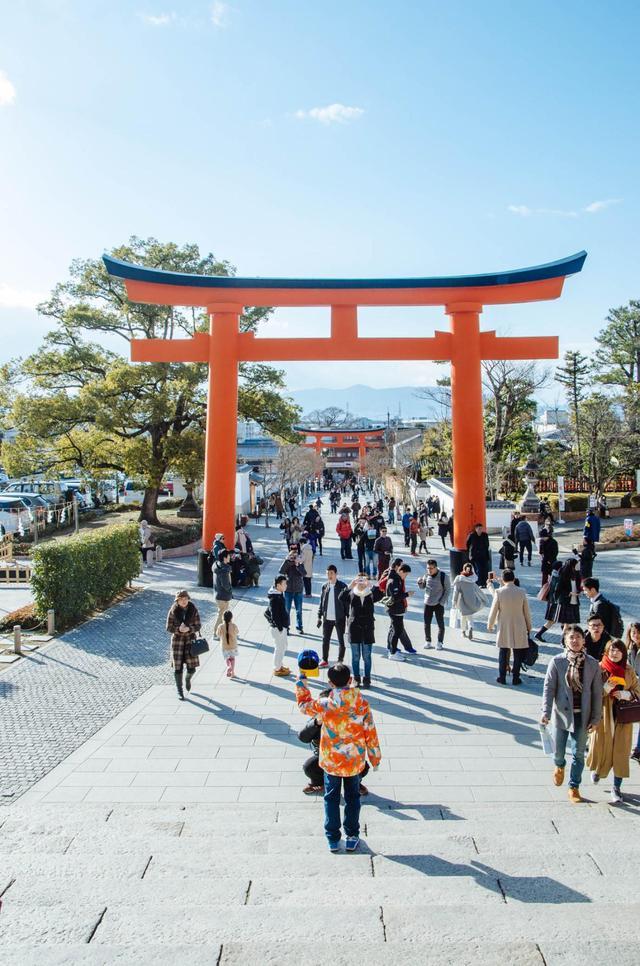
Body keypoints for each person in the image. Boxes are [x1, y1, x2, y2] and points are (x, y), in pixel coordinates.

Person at [296, 662, 381, 851]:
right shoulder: (361, 703)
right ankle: (352, 835)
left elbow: (303, 706)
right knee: (353, 798)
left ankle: (333, 839)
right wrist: (374, 758)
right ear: (350, 680)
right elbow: (370, 731)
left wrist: (302, 683)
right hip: (353, 760)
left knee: (331, 798)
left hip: (332, 760)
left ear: (330, 683)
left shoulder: (325, 704)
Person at [541, 625, 603, 804]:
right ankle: (559, 765)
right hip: (561, 714)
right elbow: (549, 688)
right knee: (558, 751)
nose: (575, 640)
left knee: (578, 753)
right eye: (571, 637)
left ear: (584, 640)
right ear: (565, 641)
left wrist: (596, 718)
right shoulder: (557, 661)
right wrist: (545, 711)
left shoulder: (592, 664)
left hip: (582, 715)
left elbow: (597, 692)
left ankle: (574, 786)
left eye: (578, 637)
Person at [587, 639, 640, 804]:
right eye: (611, 650)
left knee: (621, 752)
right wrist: (606, 689)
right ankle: (597, 770)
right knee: (601, 747)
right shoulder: (599, 668)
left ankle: (616, 787)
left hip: (624, 716)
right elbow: (590, 693)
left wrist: (625, 694)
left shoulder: (629, 670)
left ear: (623, 653)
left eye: (618, 650)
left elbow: (637, 690)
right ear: (606, 652)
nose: (614, 653)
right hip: (604, 715)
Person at [487, 569, 532, 686]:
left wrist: (490, 624)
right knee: (518, 653)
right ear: (514, 578)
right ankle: (516, 678)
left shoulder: (499, 592)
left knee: (503, 651)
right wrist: (529, 626)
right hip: (520, 625)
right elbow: (526, 612)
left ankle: (502, 677)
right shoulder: (521, 592)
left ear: (503, 579)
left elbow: (493, 610)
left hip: (504, 625)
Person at [342, 573, 383, 687]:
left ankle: (367, 678)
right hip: (354, 629)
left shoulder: (371, 594)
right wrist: (350, 585)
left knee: (367, 656)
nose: (361, 583)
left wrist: (370, 585)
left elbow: (380, 595)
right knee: (355, 656)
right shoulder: (352, 593)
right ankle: (356, 678)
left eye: (363, 580)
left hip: (367, 629)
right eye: (359, 580)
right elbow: (341, 597)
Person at [534, 558, 581, 642]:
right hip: (564, 602)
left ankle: (540, 634)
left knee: (563, 622)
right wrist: (569, 593)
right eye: (577, 564)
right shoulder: (563, 576)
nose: (578, 566)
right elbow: (558, 590)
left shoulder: (576, 574)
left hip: (573, 601)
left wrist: (579, 591)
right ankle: (563, 641)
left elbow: (578, 585)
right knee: (564, 623)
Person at [166, 590, 201, 700]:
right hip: (178, 642)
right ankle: (179, 690)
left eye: (185, 599)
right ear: (177, 601)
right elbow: (168, 627)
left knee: (192, 669)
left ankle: (187, 679)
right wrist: (179, 630)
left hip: (190, 641)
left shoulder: (193, 609)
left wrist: (189, 629)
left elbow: (198, 625)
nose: (184, 601)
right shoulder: (173, 610)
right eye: (181, 599)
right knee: (178, 668)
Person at [317, 565, 348, 667]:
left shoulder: (342, 586)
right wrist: (319, 616)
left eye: (331, 573)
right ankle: (324, 659)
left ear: (336, 574)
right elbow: (321, 602)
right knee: (325, 640)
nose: (329, 575)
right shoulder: (325, 586)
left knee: (341, 641)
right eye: (327, 573)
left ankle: (340, 661)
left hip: (339, 618)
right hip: (327, 619)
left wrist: (348, 617)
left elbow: (347, 604)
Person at [418, 558, 450, 650]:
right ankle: (428, 641)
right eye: (428, 568)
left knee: (441, 624)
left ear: (436, 567)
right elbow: (423, 587)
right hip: (427, 603)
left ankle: (440, 642)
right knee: (426, 624)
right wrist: (419, 583)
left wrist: (442, 602)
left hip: (438, 604)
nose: (429, 570)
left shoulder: (443, 576)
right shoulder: (426, 575)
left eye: (431, 568)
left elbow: (448, 590)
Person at [386, 561, 416, 659]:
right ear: (401, 571)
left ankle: (392, 650)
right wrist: (407, 594)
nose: (406, 577)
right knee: (397, 631)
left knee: (396, 630)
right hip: (395, 610)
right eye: (406, 574)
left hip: (396, 609)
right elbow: (395, 597)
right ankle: (393, 653)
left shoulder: (397, 578)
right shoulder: (395, 580)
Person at [451, 562, 486, 640]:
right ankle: (470, 627)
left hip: (462, 601)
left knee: (463, 616)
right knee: (470, 615)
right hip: (471, 600)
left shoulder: (459, 579)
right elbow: (477, 590)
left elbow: (456, 592)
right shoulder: (473, 579)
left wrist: (454, 601)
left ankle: (463, 631)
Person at [266, 575, 291, 676]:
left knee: (283, 646)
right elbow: (274, 614)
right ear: (278, 585)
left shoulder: (279, 594)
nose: (286, 585)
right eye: (284, 584)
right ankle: (277, 668)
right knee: (279, 647)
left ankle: (279, 665)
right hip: (278, 628)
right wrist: (280, 627)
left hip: (281, 627)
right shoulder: (275, 598)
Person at [279, 548, 305, 633]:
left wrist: (298, 565)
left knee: (299, 610)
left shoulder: (299, 563)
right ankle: (286, 627)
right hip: (288, 590)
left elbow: (304, 573)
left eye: (295, 557)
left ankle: (299, 627)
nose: (293, 558)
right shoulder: (287, 564)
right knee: (287, 610)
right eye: (292, 556)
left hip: (298, 590)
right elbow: (281, 571)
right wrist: (286, 561)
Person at [626, 623, 640, 763]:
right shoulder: (630, 649)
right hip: (635, 688)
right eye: (633, 633)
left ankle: (638, 749)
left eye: (638, 632)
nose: (636, 635)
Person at [213, 550, 233, 633]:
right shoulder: (224, 570)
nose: (230, 557)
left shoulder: (217, 566)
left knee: (222, 614)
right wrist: (230, 590)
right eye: (228, 556)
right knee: (221, 615)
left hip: (218, 594)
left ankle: (223, 631)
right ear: (225, 558)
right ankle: (215, 633)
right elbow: (226, 585)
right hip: (223, 596)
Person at [466, 523, 491, 587]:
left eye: (481, 528)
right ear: (475, 529)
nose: (480, 530)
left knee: (485, 569)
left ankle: (485, 583)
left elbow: (487, 544)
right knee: (479, 570)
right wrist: (470, 552)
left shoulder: (485, 535)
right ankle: (479, 583)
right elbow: (467, 544)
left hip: (484, 555)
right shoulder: (472, 535)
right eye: (479, 529)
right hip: (475, 556)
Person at [217, 609, 239, 678]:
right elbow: (237, 632)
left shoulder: (220, 626)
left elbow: (218, 634)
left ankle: (229, 667)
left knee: (227, 658)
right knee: (232, 658)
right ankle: (232, 672)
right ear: (231, 617)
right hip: (233, 645)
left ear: (223, 617)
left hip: (224, 646)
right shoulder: (234, 626)